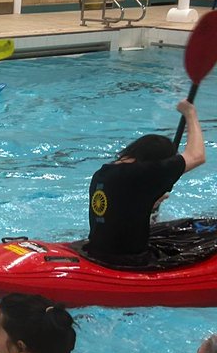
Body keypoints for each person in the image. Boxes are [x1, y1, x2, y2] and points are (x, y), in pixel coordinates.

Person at [85, 100, 205, 266]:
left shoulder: (103, 174)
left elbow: (121, 211)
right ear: (155, 163)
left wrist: (152, 201)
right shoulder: (143, 173)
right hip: (129, 260)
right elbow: (197, 156)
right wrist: (190, 113)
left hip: (96, 251)